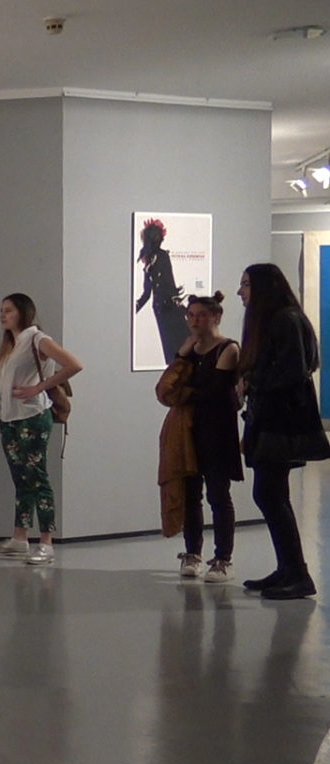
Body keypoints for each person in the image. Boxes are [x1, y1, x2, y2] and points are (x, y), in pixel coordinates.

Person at [236, 264, 329, 600]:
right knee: (272, 495)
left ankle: (298, 574)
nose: (240, 291)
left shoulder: (285, 320)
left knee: (269, 494)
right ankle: (288, 569)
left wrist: (251, 380)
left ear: (263, 287)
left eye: (246, 284)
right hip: (272, 421)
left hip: (281, 423)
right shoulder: (277, 320)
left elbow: (291, 372)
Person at [0, 293, 83, 565]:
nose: (3, 315)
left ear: (23, 312)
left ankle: (46, 541)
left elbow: (74, 364)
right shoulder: (11, 344)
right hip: (9, 418)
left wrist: (39, 387)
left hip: (31, 417)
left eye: (9, 310)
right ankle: (20, 537)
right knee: (21, 478)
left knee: (37, 477)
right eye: (2, 310)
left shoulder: (37, 338)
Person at [156, 293, 242, 582]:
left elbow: (213, 392)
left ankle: (223, 559)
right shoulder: (189, 350)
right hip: (189, 430)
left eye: (202, 315)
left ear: (216, 317)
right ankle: (192, 553)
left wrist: (184, 393)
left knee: (218, 494)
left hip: (217, 431)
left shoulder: (228, 348)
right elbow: (166, 390)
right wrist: (181, 355)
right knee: (191, 494)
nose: (195, 320)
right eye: (191, 315)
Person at [137, 219, 191, 364]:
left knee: (176, 347)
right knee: (178, 346)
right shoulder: (157, 258)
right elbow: (163, 286)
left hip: (164, 307)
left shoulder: (153, 259)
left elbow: (150, 291)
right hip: (165, 307)